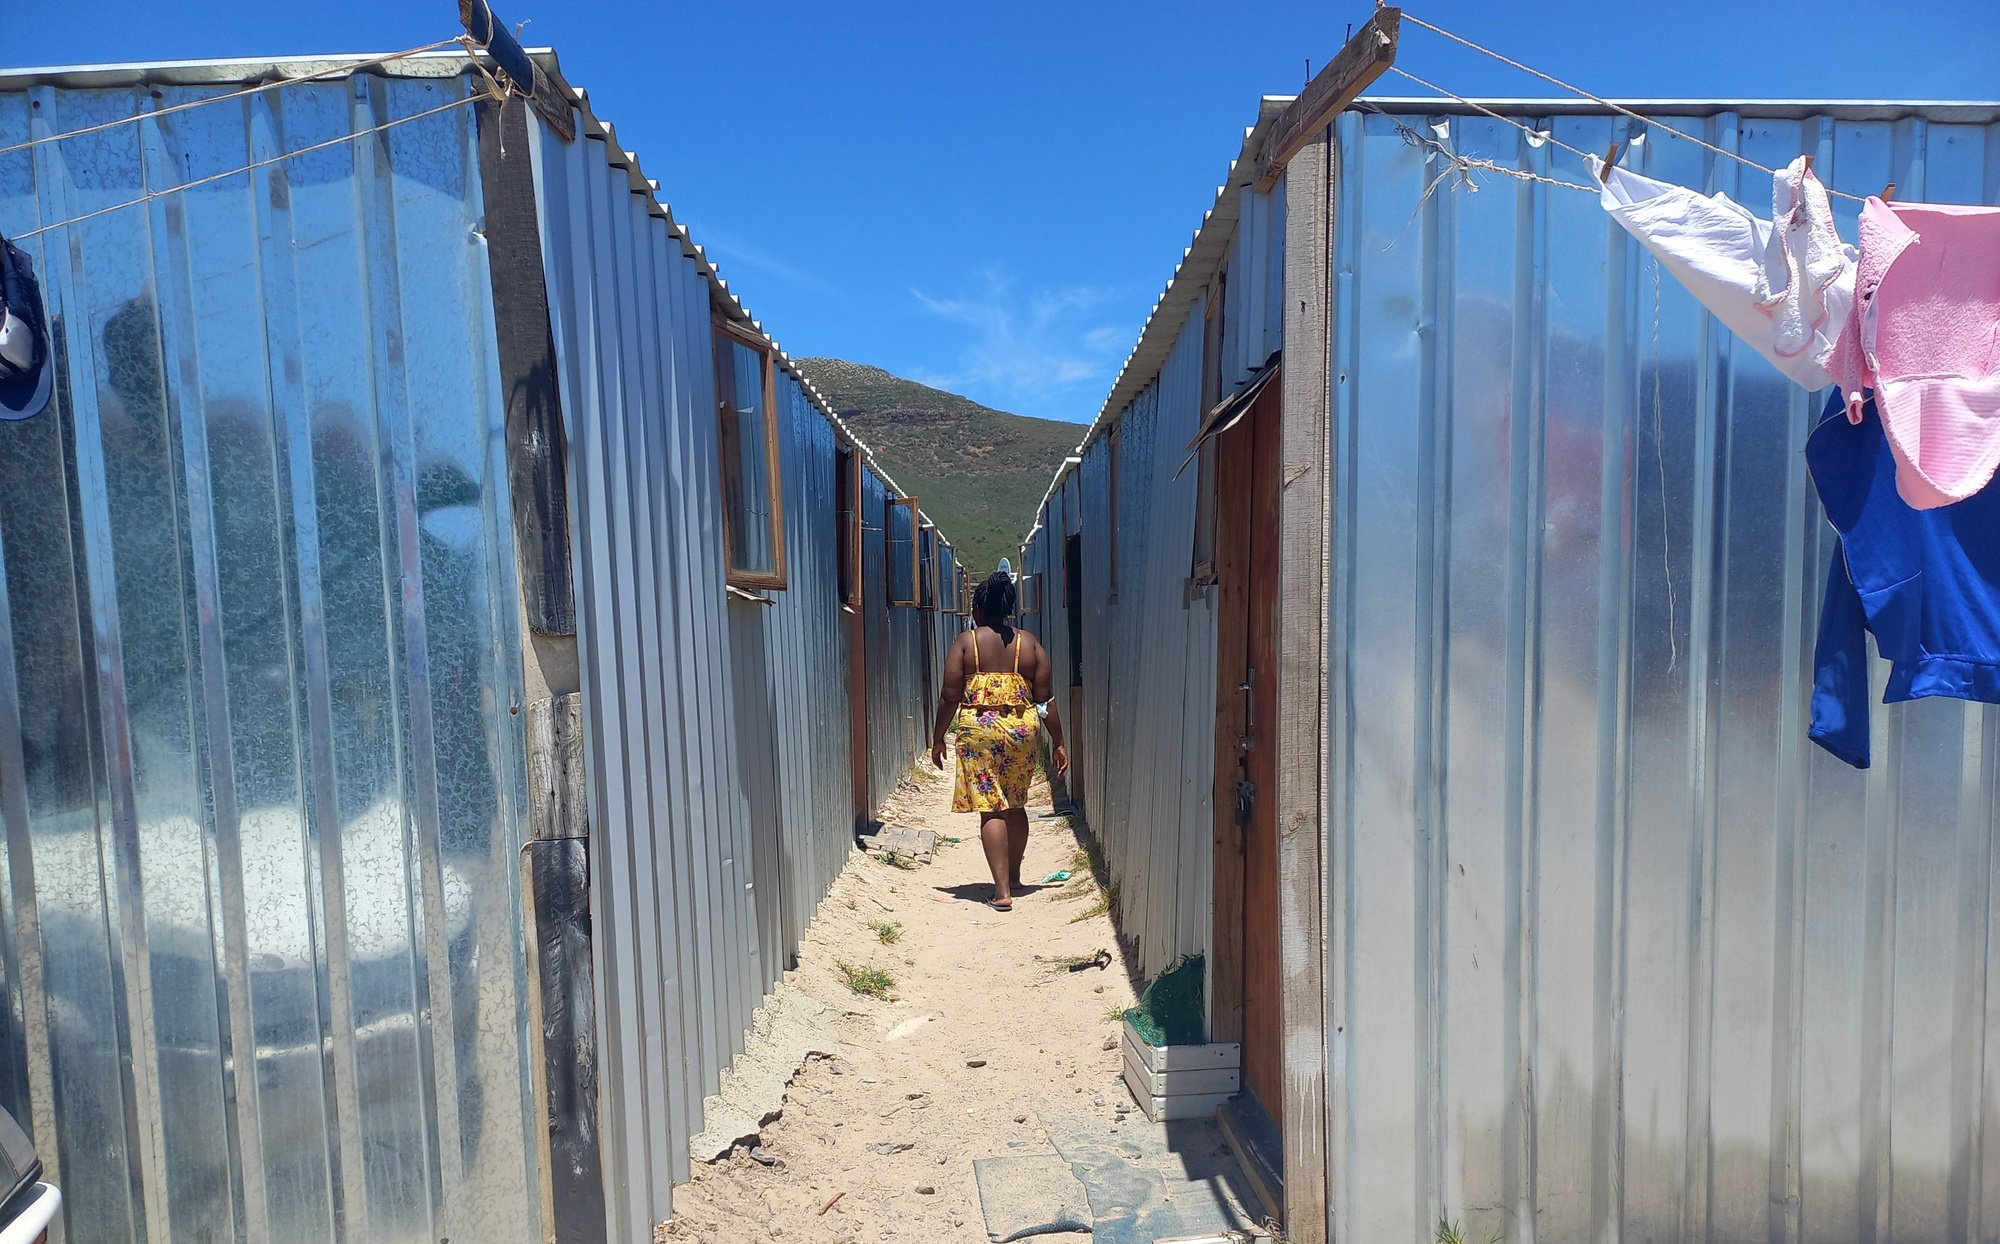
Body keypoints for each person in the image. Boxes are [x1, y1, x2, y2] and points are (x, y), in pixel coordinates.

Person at [931, 572, 1068, 909]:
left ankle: (1002, 890)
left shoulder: (967, 643)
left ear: (977, 608)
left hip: (979, 731)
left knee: (990, 807)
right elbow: (1044, 700)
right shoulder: (1030, 644)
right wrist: (1060, 742)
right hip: (1021, 730)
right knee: (1015, 802)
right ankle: (1017, 876)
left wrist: (937, 739)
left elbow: (949, 696)